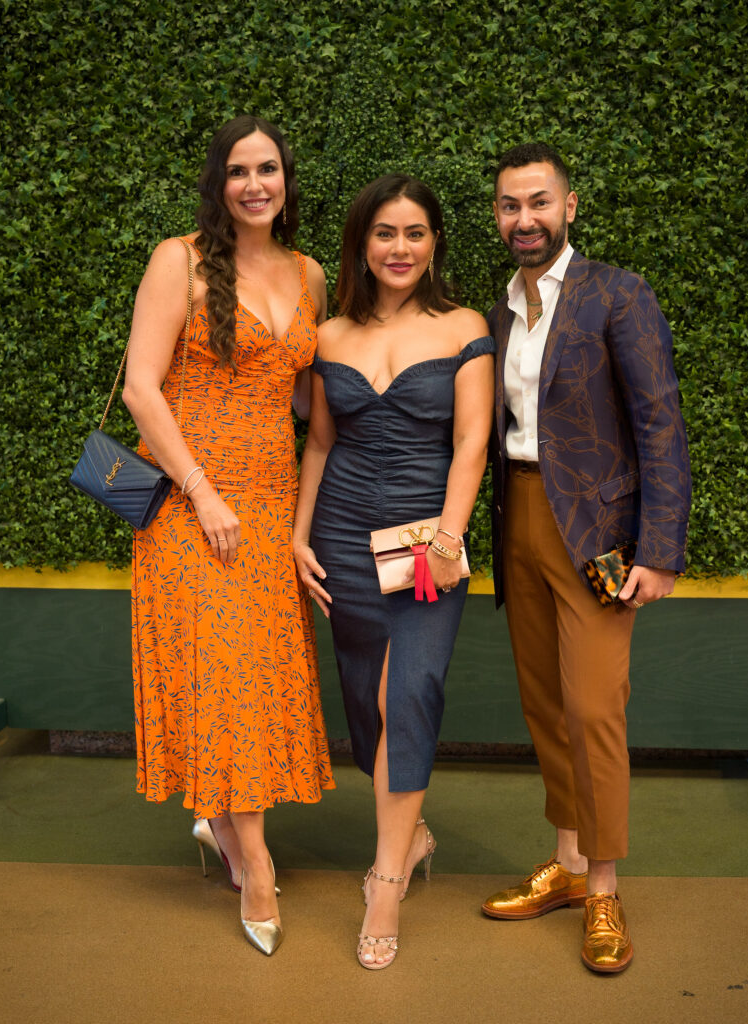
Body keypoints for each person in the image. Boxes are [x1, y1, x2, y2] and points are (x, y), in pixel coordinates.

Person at [122, 115, 335, 957]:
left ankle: (221, 821)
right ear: (219, 182)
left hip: (272, 501)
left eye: (270, 169)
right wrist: (203, 492)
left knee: (249, 679)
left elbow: (307, 398)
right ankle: (257, 869)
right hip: (191, 508)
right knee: (232, 682)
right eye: (240, 170)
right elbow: (142, 388)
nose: (256, 183)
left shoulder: (312, 271)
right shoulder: (178, 259)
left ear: (287, 179)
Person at [481, 143, 691, 973]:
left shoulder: (618, 295)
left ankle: (603, 889)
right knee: (544, 705)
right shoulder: (498, 309)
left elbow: (661, 428)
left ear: (570, 207)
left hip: (598, 536)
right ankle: (567, 866)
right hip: (519, 518)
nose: (523, 219)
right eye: (508, 205)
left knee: (596, 708)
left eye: (538, 202)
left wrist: (661, 550)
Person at [293, 174, 494, 970]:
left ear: (435, 241)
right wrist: (297, 536)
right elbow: (318, 443)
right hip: (340, 533)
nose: (400, 247)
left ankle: (383, 879)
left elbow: (472, 442)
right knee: (364, 705)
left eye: (414, 232)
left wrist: (449, 539)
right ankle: (408, 835)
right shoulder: (331, 334)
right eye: (385, 233)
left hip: (422, 544)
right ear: (362, 243)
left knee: (407, 690)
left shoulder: (463, 326)